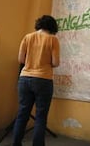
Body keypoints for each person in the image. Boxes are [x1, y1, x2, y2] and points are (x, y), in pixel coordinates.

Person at [13, 15, 60, 146]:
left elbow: (21, 60)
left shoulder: (27, 37)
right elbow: (56, 63)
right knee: (40, 116)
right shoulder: (53, 39)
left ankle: (16, 144)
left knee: (22, 114)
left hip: (24, 78)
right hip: (43, 80)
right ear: (52, 27)